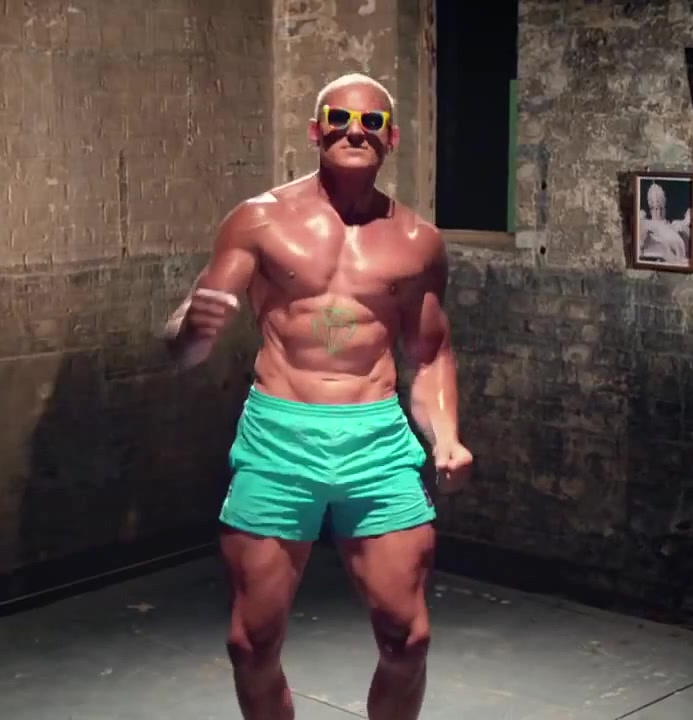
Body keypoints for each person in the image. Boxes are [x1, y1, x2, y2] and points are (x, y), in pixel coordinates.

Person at [159, 72, 472, 720]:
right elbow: (186, 346)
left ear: (392, 138)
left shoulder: (418, 241)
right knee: (250, 645)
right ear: (315, 129)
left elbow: (429, 353)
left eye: (371, 121)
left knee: (408, 640)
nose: (354, 130)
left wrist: (446, 435)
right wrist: (191, 330)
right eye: (339, 118)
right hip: (280, 438)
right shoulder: (259, 220)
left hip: (375, 440)